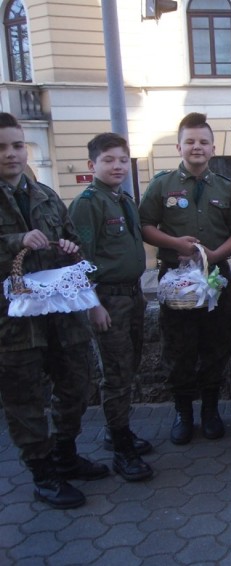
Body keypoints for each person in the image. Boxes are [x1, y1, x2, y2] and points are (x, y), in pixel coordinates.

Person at [0, 112, 108, 509]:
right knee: (24, 399)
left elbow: (74, 241)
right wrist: (15, 241)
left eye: (16, 144)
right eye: (2, 147)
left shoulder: (44, 194)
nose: (11, 154)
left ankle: (65, 452)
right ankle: (42, 473)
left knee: (77, 384)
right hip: (12, 323)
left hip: (61, 313)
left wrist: (69, 249)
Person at [139, 112, 231, 445]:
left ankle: (211, 411)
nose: (196, 147)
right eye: (190, 141)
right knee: (179, 349)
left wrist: (213, 256)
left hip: (215, 276)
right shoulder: (162, 184)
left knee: (216, 346)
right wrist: (175, 244)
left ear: (213, 148)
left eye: (203, 142)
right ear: (179, 146)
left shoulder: (226, 188)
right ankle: (183, 413)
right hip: (176, 279)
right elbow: (145, 227)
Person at [68, 133, 153, 482]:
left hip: (131, 296)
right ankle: (121, 449)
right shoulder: (88, 203)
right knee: (116, 374)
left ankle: (117, 430)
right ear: (92, 166)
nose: (117, 166)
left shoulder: (122, 199)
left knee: (129, 366)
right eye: (108, 160)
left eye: (122, 160)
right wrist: (92, 305)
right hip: (107, 299)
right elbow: (78, 259)